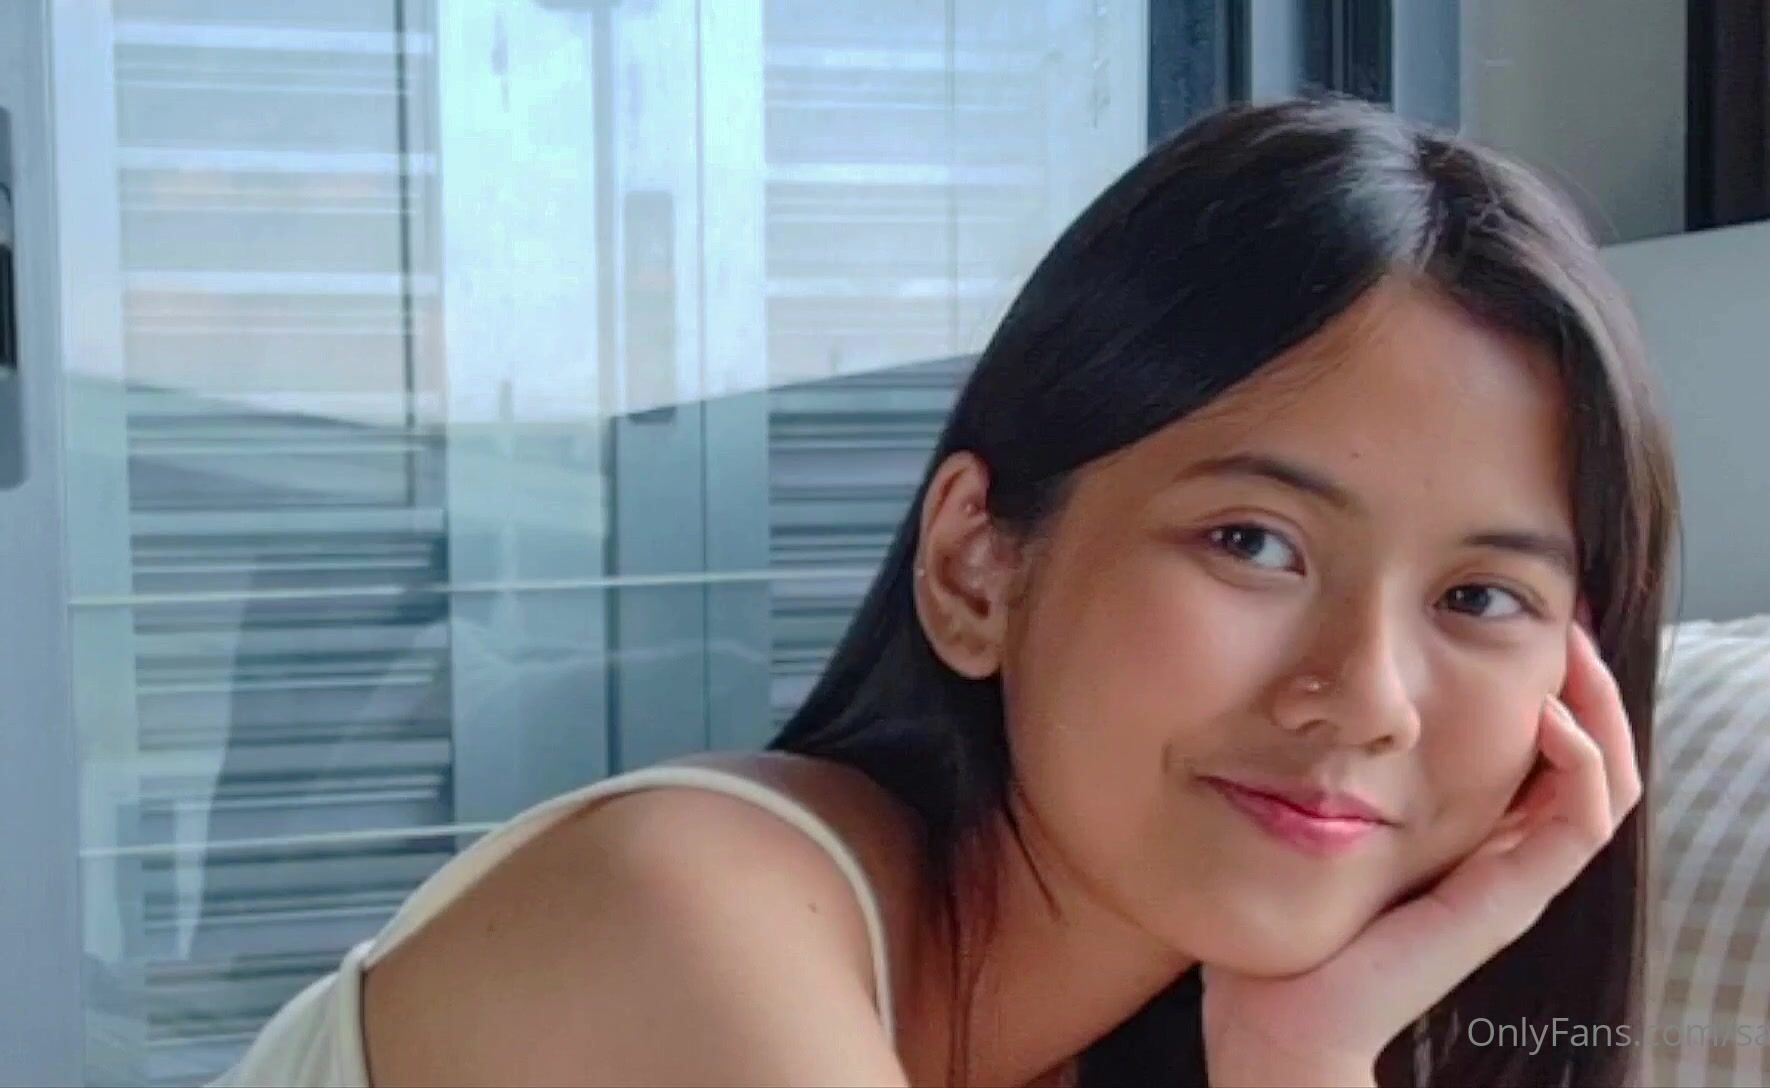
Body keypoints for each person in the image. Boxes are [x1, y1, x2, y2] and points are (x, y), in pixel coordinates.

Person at [215, 96, 1676, 1088]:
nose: (1364, 696)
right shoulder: (694, 910)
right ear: (978, 563)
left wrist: (1303, 1059)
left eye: (1481, 599)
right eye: (1253, 541)